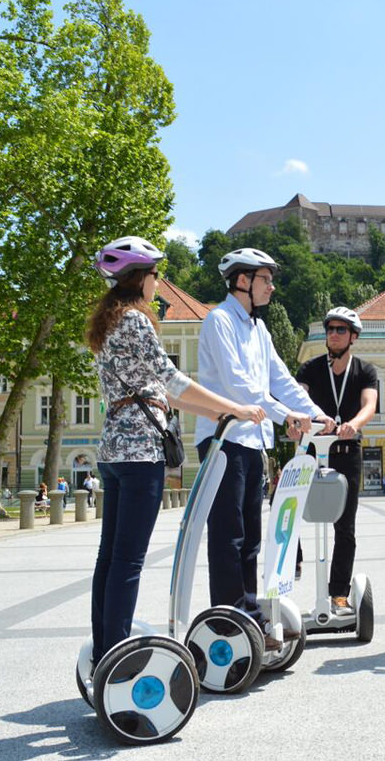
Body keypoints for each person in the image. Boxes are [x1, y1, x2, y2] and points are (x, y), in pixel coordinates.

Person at [87, 236, 265, 670]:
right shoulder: (136, 320)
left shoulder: (108, 322)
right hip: (139, 449)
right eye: (155, 274)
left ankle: (103, 649)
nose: (158, 282)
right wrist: (235, 408)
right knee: (128, 560)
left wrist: (222, 412)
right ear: (140, 277)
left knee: (109, 556)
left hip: (113, 446)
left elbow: (172, 395)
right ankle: (118, 660)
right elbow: (172, 381)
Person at [195, 247, 334, 650]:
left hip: (253, 443)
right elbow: (241, 387)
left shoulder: (259, 329)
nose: (272, 286)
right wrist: (286, 416)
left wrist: (320, 415)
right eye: (265, 279)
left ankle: (249, 614)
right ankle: (229, 623)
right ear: (242, 280)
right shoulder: (219, 321)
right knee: (228, 535)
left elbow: (281, 380)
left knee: (252, 536)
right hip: (224, 439)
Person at [293, 307, 379, 614]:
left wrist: (354, 424)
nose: (334, 334)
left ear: (353, 336)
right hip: (313, 451)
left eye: (341, 330)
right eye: (331, 329)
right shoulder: (310, 369)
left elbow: (369, 404)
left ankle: (339, 594)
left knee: (345, 528)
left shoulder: (365, 371)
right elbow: (298, 400)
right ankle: (294, 561)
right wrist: (301, 422)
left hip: (346, 454)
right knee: (287, 507)